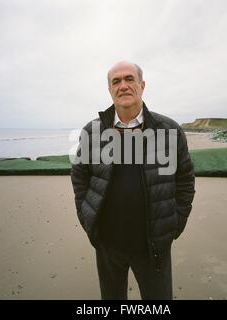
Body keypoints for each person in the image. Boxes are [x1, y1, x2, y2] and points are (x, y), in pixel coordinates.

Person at [71, 61, 195, 300]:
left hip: (153, 245)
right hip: (107, 243)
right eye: (116, 81)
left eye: (129, 79)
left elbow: (185, 179)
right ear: (110, 90)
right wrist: (87, 218)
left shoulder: (168, 129)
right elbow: (79, 176)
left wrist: (175, 222)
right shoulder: (92, 131)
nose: (123, 85)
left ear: (142, 85)